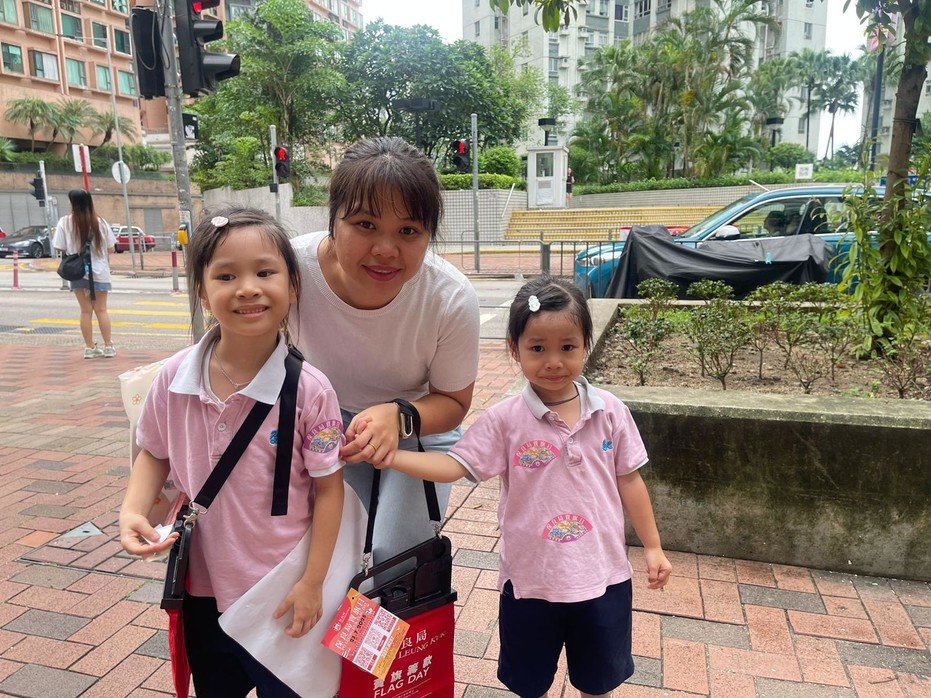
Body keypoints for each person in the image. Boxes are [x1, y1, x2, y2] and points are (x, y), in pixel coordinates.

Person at [375, 276, 672, 698]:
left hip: (604, 578)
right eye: (537, 348)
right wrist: (390, 457)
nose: (554, 361)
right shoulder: (505, 420)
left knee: (598, 683)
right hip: (530, 583)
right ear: (514, 349)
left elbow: (630, 480)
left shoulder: (610, 412)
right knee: (530, 685)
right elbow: (454, 465)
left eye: (567, 347)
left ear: (585, 345)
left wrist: (653, 546)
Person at [118, 207, 345, 697]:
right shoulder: (172, 379)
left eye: (265, 272)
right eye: (225, 276)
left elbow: (329, 491)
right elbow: (154, 452)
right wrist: (133, 510)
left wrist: (313, 583)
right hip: (203, 588)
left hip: (280, 588)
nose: (247, 288)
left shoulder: (311, 391)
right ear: (202, 292)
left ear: (292, 286)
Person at [290, 136, 480, 567]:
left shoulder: (449, 298)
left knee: (397, 559)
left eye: (408, 231)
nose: (385, 250)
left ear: (428, 235)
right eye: (365, 224)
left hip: (417, 426)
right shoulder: (292, 271)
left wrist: (398, 417)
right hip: (325, 422)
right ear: (334, 220)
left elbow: (453, 402)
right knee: (331, 551)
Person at [52, 189, 117, 358]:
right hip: (99, 271)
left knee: (85, 311)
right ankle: (108, 346)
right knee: (101, 310)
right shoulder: (100, 222)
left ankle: (89, 348)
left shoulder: (65, 222)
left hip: (78, 271)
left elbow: (58, 246)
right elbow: (111, 248)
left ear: (72, 203)